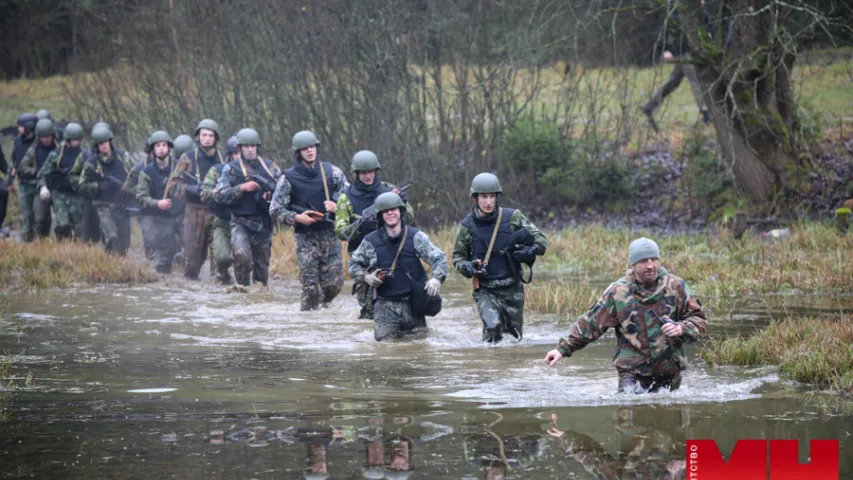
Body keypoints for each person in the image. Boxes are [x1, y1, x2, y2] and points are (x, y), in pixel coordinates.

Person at [544, 237, 707, 393]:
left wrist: (681, 328)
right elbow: (591, 324)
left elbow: (698, 319)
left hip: (670, 369)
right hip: (631, 371)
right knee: (629, 411)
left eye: (654, 259)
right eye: (643, 261)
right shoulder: (617, 292)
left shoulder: (676, 286)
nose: (650, 265)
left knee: (669, 416)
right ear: (633, 264)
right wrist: (562, 349)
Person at [452, 173, 547, 343]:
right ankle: (488, 367)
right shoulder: (466, 226)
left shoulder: (513, 217)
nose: (488, 202)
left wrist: (530, 250)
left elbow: (541, 240)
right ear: (475, 198)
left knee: (514, 339)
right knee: (493, 327)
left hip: (512, 288)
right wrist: (468, 267)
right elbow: (458, 258)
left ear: (497, 197)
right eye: (483, 197)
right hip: (485, 290)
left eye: (491, 197)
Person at [348, 192, 447, 341]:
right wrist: (366, 277)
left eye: (393, 209)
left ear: (400, 211)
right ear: (380, 215)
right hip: (384, 307)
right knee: (386, 350)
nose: (390, 213)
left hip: (414, 305)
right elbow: (353, 265)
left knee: (418, 350)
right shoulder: (370, 241)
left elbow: (440, 258)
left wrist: (437, 279)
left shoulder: (416, 237)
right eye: (385, 211)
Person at [270, 130, 348, 310]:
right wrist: (297, 218)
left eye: (312, 147)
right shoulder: (288, 177)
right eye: (305, 148)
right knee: (310, 288)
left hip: (329, 233)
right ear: (298, 152)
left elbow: (350, 199)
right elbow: (275, 209)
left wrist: (338, 207)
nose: (310, 151)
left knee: (335, 285)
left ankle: (323, 309)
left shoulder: (333, 172)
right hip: (305, 237)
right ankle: (308, 324)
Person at [335, 150, 414, 319]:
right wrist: (362, 226)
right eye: (363, 173)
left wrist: (403, 204)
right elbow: (341, 232)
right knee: (370, 310)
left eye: (371, 172)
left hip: (390, 253)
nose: (368, 176)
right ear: (356, 173)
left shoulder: (389, 190)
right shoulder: (346, 197)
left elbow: (411, 219)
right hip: (361, 257)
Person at [214, 128, 281, 286]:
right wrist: (241, 188)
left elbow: (284, 191)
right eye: (246, 146)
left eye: (253, 146)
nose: (250, 150)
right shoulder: (231, 168)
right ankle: (242, 292)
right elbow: (218, 195)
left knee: (262, 269)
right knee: (242, 256)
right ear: (240, 148)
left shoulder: (270, 167)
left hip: (263, 222)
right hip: (240, 221)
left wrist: (270, 197)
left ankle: (259, 300)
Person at [641, 0, 714, 131]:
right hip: (681, 52)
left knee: (674, 81)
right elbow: (665, 30)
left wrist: (709, 37)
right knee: (695, 80)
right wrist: (665, 49)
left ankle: (650, 106)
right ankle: (706, 112)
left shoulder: (702, 13)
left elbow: (709, 28)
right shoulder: (678, 12)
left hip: (693, 53)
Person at [167, 119, 227, 279]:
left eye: (210, 135)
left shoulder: (224, 159)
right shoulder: (187, 158)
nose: (207, 138)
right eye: (203, 135)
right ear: (198, 137)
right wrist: (192, 190)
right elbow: (173, 186)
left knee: (221, 260)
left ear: (215, 138)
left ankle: (220, 294)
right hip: (194, 212)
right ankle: (190, 294)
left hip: (218, 213)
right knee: (192, 263)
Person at [76, 124, 136, 255]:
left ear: (110, 141)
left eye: (105, 142)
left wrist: (129, 189)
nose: (103, 145)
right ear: (96, 145)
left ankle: (119, 266)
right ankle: (110, 263)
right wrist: (98, 187)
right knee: (112, 237)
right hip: (103, 206)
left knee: (124, 245)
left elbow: (137, 175)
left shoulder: (123, 157)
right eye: (100, 143)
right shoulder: (91, 163)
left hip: (122, 205)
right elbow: (81, 185)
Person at [137, 131, 184, 273]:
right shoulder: (147, 172)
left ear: (169, 148)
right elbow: (141, 197)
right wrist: (157, 203)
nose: (161, 148)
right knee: (163, 261)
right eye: (158, 145)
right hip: (160, 218)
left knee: (193, 249)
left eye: (164, 145)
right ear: (153, 149)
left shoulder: (180, 168)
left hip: (181, 215)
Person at [36, 122, 86, 240]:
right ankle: (61, 245)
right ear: (68, 140)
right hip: (59, 194)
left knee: (78, 229)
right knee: (64, 224)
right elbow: (42, 174)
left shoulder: (84, 155)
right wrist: (43, 187)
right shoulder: (56, 155)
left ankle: (77, 252)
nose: (76, 143)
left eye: (78, 140)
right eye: (74, 140)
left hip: (78, 195)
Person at [200, 135, 239, 284]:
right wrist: (220, 192)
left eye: (241, 152)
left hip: (247, 222)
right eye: (235, 153)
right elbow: (204, 193)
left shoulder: (256, 171)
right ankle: (223, 275)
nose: (238, 156)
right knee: (223, 258)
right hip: (223, 220)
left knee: (246, 260)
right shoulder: (217, 170)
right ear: (230, 155)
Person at [17, 118, 57, 241]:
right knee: (35, 218)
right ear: (39, 137)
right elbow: (22, 167)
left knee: (49, 219)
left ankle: (46, 241)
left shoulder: (58, 148)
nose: (46, 139)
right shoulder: (33, 151)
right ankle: (36, 243)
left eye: (48, 136)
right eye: (43, 137)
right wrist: (36, 172)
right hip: (36, 185)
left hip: (52, 186)